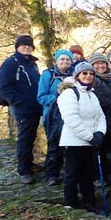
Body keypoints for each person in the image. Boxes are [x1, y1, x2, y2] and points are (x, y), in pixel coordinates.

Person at [57, 62, 106, 211]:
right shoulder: (69, 93)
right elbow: (71, 119)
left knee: (87, 174)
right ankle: (72, 204)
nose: (88, 76)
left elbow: (100, 116)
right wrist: (90, 137)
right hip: (74, 141)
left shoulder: (91, 94)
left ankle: (89, 202)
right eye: (85, 73)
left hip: (90, 141)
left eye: (91, 74)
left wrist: (99, 133)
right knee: (72, 175)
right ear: (77, 75)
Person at [0, 35, 42, 184]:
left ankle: (29, 164)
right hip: (23, 109)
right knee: (25, 138)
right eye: (23, 45)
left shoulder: (31, 63)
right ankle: (23, 170)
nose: (27, 47)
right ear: (17, 46)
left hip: (35, 106)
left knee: (31, 137)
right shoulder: (11, 63)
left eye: (29, 45)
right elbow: (4, 87)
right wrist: (20, 102)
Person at [37, 48, 74, 185]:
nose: (65, 62)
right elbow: (41, 97)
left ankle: (70, 174)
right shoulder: (48, 75)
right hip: (52, 117)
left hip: (69, 116)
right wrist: (60, 98)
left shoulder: (74, 74)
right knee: (54, 146)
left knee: (70, 147)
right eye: (62, 59)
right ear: (56, 61)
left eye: (68, 59)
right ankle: (52, 175)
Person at [90, 52, 111, 182]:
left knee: (110, 147)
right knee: (101, 150)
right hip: (100, 120)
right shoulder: (94, 80)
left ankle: (109, 173)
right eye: (97, 63)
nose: (101, 66)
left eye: (103, 63)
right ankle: (99, 176)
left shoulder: (108, 79)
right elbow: (100, 98)